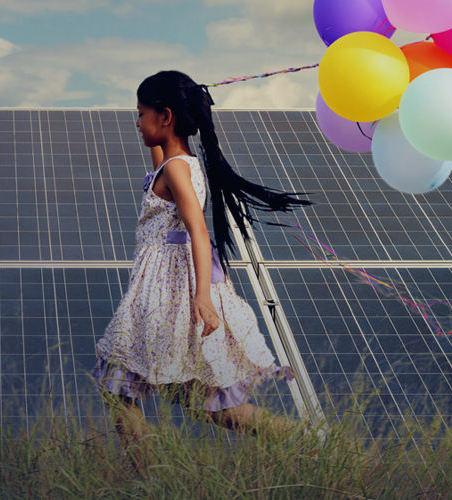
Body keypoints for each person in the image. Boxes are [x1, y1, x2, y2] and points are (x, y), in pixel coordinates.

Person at [90, 70, 316, 479]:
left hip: (169, 295)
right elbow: (160, 162)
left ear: (167, 116)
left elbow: (197, 229)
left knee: (119, 382)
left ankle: (150, 477)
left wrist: (203, 298)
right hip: (164, 291)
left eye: (141, 114)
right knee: (201, 402)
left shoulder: (177, 170)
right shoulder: (175, 163)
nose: (136, 123)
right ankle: (307, 445)